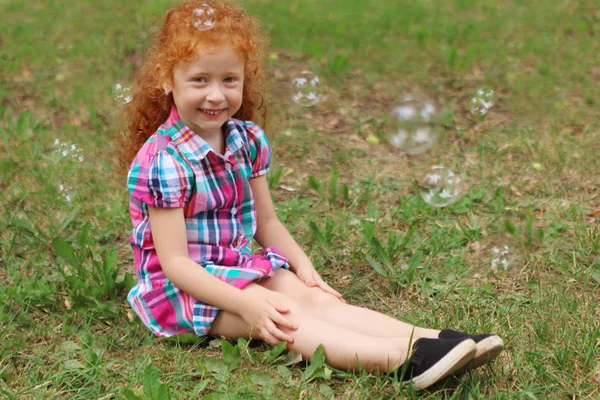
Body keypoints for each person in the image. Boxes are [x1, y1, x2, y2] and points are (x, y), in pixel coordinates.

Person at [120, 1, 504, 391]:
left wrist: (303, 268)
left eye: (229, 80)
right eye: (199, 80)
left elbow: (266, 223)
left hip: (236, 265)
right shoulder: (163, 162)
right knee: (287, 317)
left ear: (244, 79)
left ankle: (435, 339)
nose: (216, 95)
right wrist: (246, 304)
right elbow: (177, 264)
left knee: (319, 302)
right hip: (182, 290)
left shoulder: (245, 140)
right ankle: (405, 360)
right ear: (168, 80)